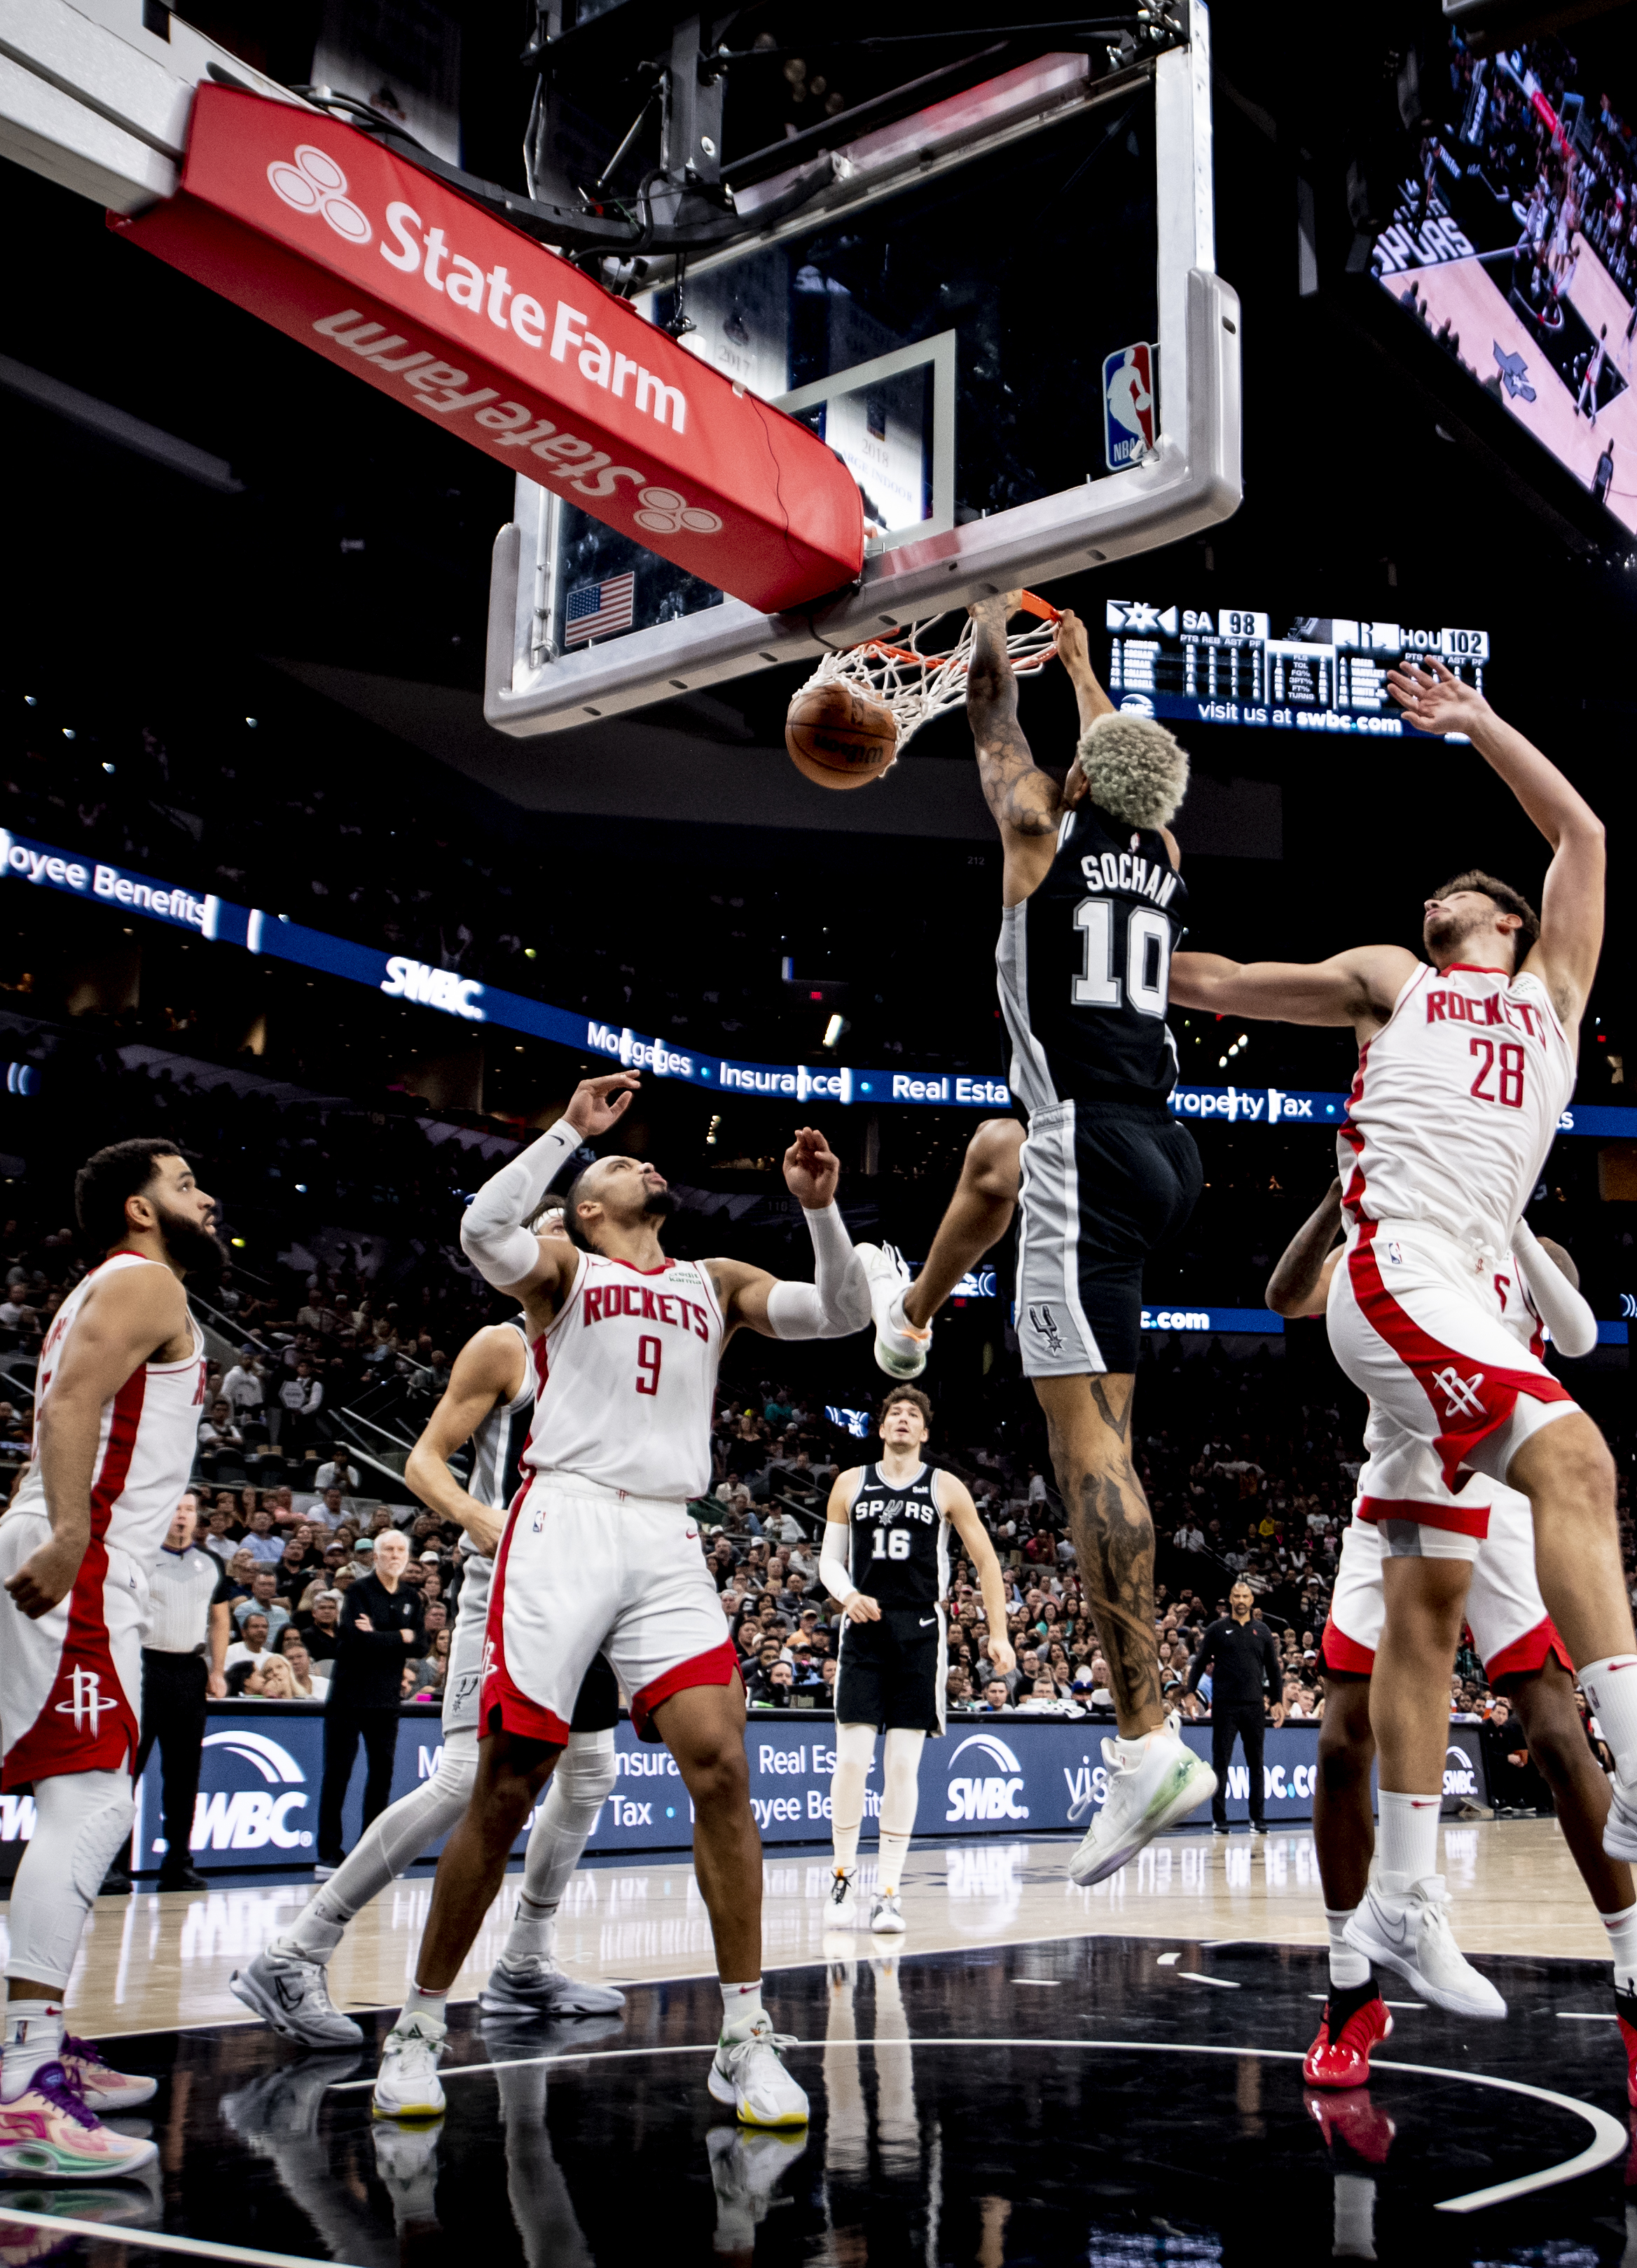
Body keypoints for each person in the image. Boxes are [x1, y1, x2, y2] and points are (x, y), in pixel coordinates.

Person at [1167, 658, 1637, 1948]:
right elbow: (1219, 981)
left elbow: (1584, 832)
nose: (1430, 892)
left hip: (1467, 1280)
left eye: (1454, 886)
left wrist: (1477, 725)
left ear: (1502, 918)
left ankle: (1414, 1897)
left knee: (1443, 1588)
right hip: (1395, 1264)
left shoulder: (1553, 999)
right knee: (1574, 1455)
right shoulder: (1396, 975)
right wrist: (1110, 929)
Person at [378, 1069, 873, 2126]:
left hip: (662, 1529)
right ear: (588, 1206)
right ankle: (419, 2022)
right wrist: (567, 1128)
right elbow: (482, 1230)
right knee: (507, 1782)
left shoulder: (717, 1279)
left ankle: (743, 2035)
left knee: (722, 1760)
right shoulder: (559, 1269)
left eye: (636, 1153)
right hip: (562, 1518)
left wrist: (819, 1207)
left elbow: (842, 1311)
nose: (645, 1157)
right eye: (619, 1163)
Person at [844, 601, 1220, 1883]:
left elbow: (997, 736)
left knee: (1083, 1455)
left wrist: (987, 634)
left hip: (1082, 1147)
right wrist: (1080, 667)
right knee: (1105, 1419)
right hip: (1162, 1150)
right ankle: (918, 1312)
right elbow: (1123, 762)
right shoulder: (1160, 850)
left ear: (1070, 788)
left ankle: (1141, 1738)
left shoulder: (1032, 835)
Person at [1267, 1184, 1637, 2110]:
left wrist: (1499, 1212)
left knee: (1555, 1733)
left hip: (1504, 1484)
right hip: (1399, 1473)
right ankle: (1352, 1987)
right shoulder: (1377, 1234)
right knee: (1341, 1738)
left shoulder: (1527, 1239)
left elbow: (1571, 1311)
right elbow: (1284, 1295)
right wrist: (1335, 1200)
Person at [237, 1297, 629, 2045]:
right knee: (461, 1777)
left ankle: (524, 1962)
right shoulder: (505, 1344)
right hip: (506, 1587)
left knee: (591, 1773)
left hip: (588, 1591)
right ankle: (296, 1951)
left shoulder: (610, 1357)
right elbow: (421, 1461)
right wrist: (480, 1518)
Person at [0, 1138, 221, 2181]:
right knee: (94, 1808)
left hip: (76, 1554)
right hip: (77, 1558)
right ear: (139, 1207)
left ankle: (42, 2041)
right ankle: (21, 2087)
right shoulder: (145, 1278)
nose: (205, 1197)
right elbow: (69, 1405)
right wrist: (70, 1536)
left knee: (90, 1800)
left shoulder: (122, 1284)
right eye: (186, 1184)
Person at [820, 1383, 1015, 1933]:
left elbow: (986, 1562)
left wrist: (997, 1632)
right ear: (880, 1428)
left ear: (924, 1433)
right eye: (894, 1414)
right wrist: (847, 1595)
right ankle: (840, 1876)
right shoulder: (849, 1483)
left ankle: (886, 1891)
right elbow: (829, 1562)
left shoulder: (945, 1486)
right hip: (863, 1626)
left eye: (913, 1415)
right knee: (853, 1761)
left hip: (920, 1631)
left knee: (901, 1765)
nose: (902, 1420)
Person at [113, 1493, 228, 1895]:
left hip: (190, 1672)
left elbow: (219, 1617)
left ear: (198, 1519)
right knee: (129, 1770)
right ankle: (113, 1866)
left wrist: (218, 1669)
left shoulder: (211, 1563)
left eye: (189, 1510)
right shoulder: (141, 1558)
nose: (182, 1516)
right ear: (164, 1512)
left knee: (184, 1776)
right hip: (145, 1669)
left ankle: (177, 1863)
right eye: (176, 1508)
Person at [317, 1530, 422, 1873]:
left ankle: (370, 1850)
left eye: (401, 1550)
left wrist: (380, 1635)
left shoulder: (412, 1597)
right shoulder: (360, 1591)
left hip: (386, 1699)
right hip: (348, 1697)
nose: (395, 1555)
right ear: (375, 1556)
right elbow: (357, 1641)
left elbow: (421, 1645)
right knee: (338, 1775)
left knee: (381, 1776)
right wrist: (399, 1636)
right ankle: (329, 1853)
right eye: (388, 1549)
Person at [1201, 1580, 1280, 1834]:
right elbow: (1201, 1660)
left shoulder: (1263, 1631)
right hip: (1225, 1706)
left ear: (1252, 1600)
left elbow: (1274, 1669)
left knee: (1256, 1763)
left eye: (1245, 1595)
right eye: (1236, 1595)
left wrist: (1278, 1700)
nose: (1241, 1600)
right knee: (1221, 1763)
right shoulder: (1216, 1629)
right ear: (1230, 1599)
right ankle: (1219, 1819)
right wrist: (1191, 1692)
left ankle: (1257, 1819)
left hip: (1254, 1706)